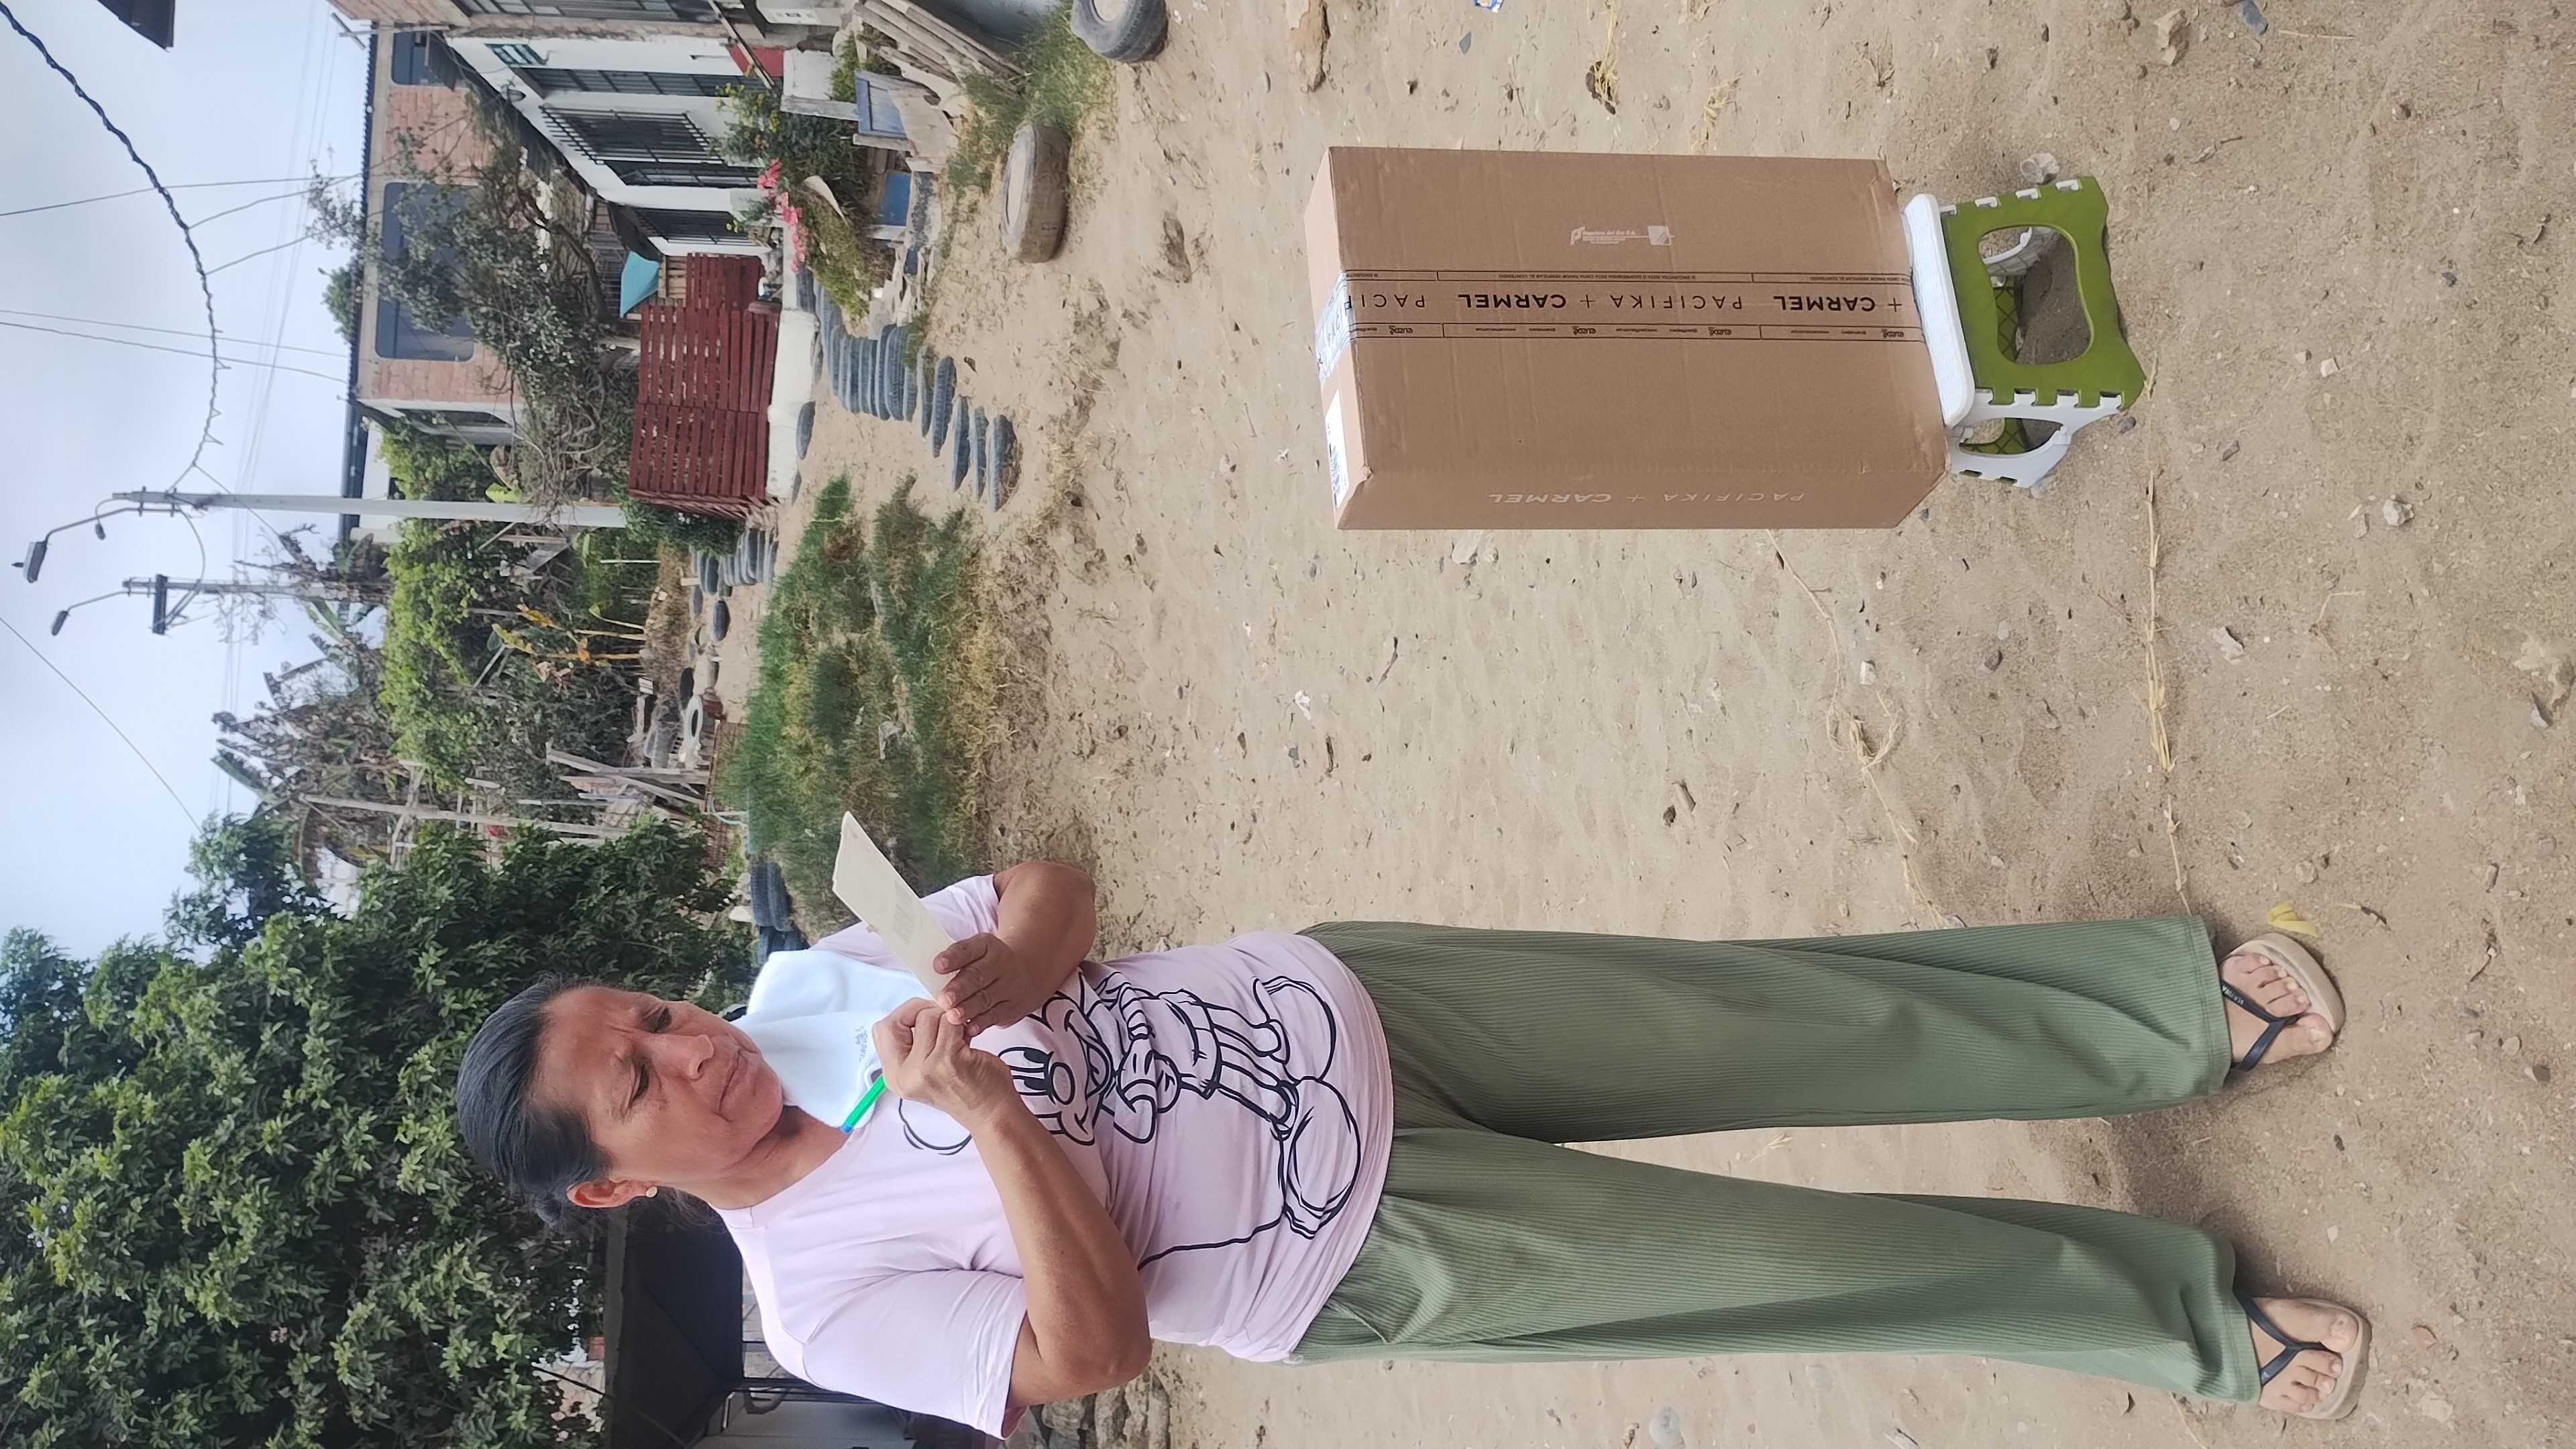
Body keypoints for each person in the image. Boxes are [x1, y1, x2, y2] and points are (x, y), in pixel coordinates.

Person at [455, 861, 2369, 1437]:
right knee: (1808, 1267)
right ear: (613, 1184)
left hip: (1364, 1001)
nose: (690, 1048)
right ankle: (2192, 1324)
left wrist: (1015, 960)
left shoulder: (812, 985)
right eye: (637, 1081)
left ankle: (2159, 1015)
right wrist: (999, 1116)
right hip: (1370, 1247)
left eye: (656, 1012)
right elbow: (1091, 1354)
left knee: (1781, 1011)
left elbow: (1048, 886)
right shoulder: (819, 1301)